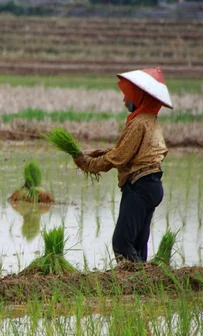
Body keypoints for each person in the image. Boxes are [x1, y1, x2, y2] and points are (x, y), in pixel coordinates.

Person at [73, 68, 172, 264]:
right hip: (152, 186)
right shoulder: (151, 120)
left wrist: (87, 164)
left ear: (138, 96)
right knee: (137, 244)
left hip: (140, 186)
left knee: (122, 242)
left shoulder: (139, 123)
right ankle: (144, 285)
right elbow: (131, 151)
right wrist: (102, 152)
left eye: (127, 95)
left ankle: (134, 283)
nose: (124, 100)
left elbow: (119, 157)